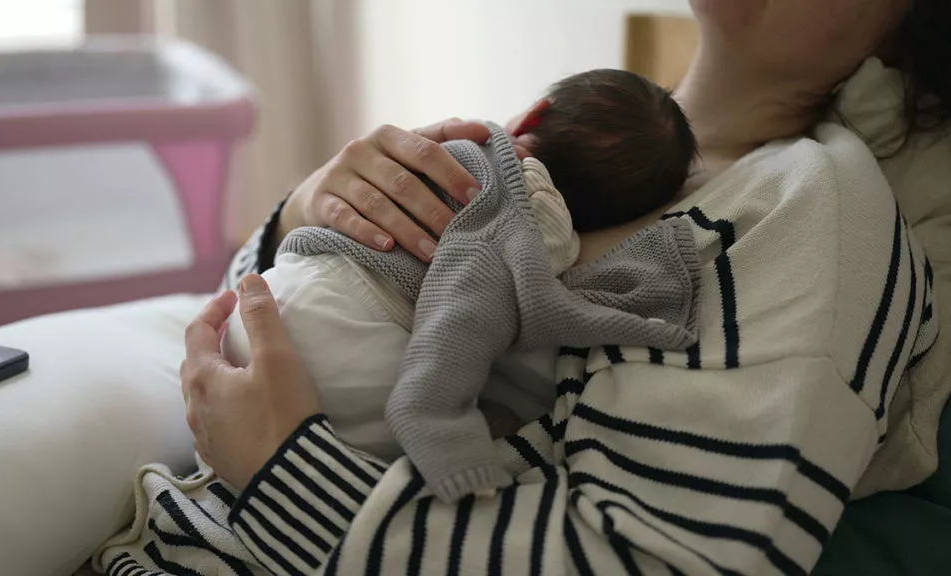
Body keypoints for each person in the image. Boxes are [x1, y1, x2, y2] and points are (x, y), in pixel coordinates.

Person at [100, 0, 950, 574]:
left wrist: (286, 477)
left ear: (904, 32)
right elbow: (238, 348)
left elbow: (664, 557)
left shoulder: (814, 206)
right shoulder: (574, 135)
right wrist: (307, 213)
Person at [218, 68, 699, 503]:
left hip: (273, 294)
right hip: (351, 342)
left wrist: (299, 211)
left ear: (534, 114)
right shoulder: (541, 222)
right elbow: (479, 308)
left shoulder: (448, 153)